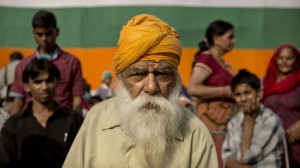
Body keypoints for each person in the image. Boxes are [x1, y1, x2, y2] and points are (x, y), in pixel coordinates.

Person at [63, 14, 218, 168]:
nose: (151, 87)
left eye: (163, 74)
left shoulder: (195, 134)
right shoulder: (96, 119)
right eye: (138, 74)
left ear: (175, 79)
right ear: (121, 78)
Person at [0, 58, 83, 168]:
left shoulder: (73, 121)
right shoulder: (13, 125)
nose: (44, 87)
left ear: (57, 82)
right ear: (27, 86)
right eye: (37, 82)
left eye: (49, 81)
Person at [9, 10, 84, 114]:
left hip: (63, 122)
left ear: (57, 32)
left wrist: (76, 124)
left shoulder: (72, 62)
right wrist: (13, 127)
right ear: (34, 33)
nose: (44, 39)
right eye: (39, 34)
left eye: (48, 34)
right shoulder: (23, 65)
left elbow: (77, 99)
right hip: (31, 124)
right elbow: (18, 100)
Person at [187, 20, 236, 167]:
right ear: (216, 39)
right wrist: (227, 91)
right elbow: (193, 88)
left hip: (225, 123)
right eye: (230, 37)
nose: (234, 41)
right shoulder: (207, 59)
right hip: (212, 123)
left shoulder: (222, 62)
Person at [222, 69, 285, 168]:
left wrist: (249, 120)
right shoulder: (235, 121)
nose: (243, 99)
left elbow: (247, 157)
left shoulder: (271, 120)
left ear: (259, 93)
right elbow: (226, 157)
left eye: (247, 93)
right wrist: (231, 161)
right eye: (238, 95)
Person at [262, 44, 300, 166]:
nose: (284, 62)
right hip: (270, 140)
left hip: (295, 140)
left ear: (296, 61)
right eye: (281, 58)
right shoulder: (266, 82)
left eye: (289, 58)